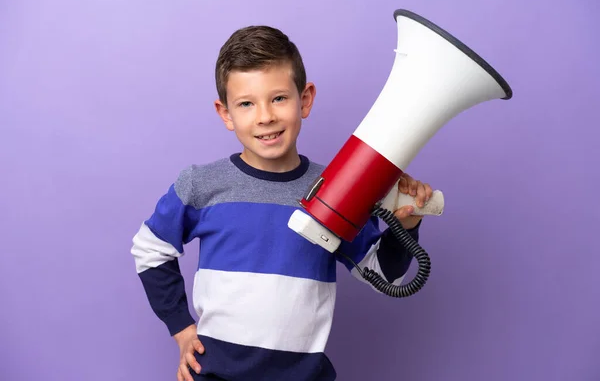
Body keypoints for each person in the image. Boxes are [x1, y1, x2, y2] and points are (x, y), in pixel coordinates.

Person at [130, 24, 434, 381]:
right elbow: (150, 249)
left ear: (304, 99)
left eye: (278, 98)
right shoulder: (201, 184)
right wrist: (181, 328)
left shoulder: (337, 190)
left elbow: (381, 271)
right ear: (225, 112)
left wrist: (407, 223)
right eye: (246, 104)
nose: (265, 117)